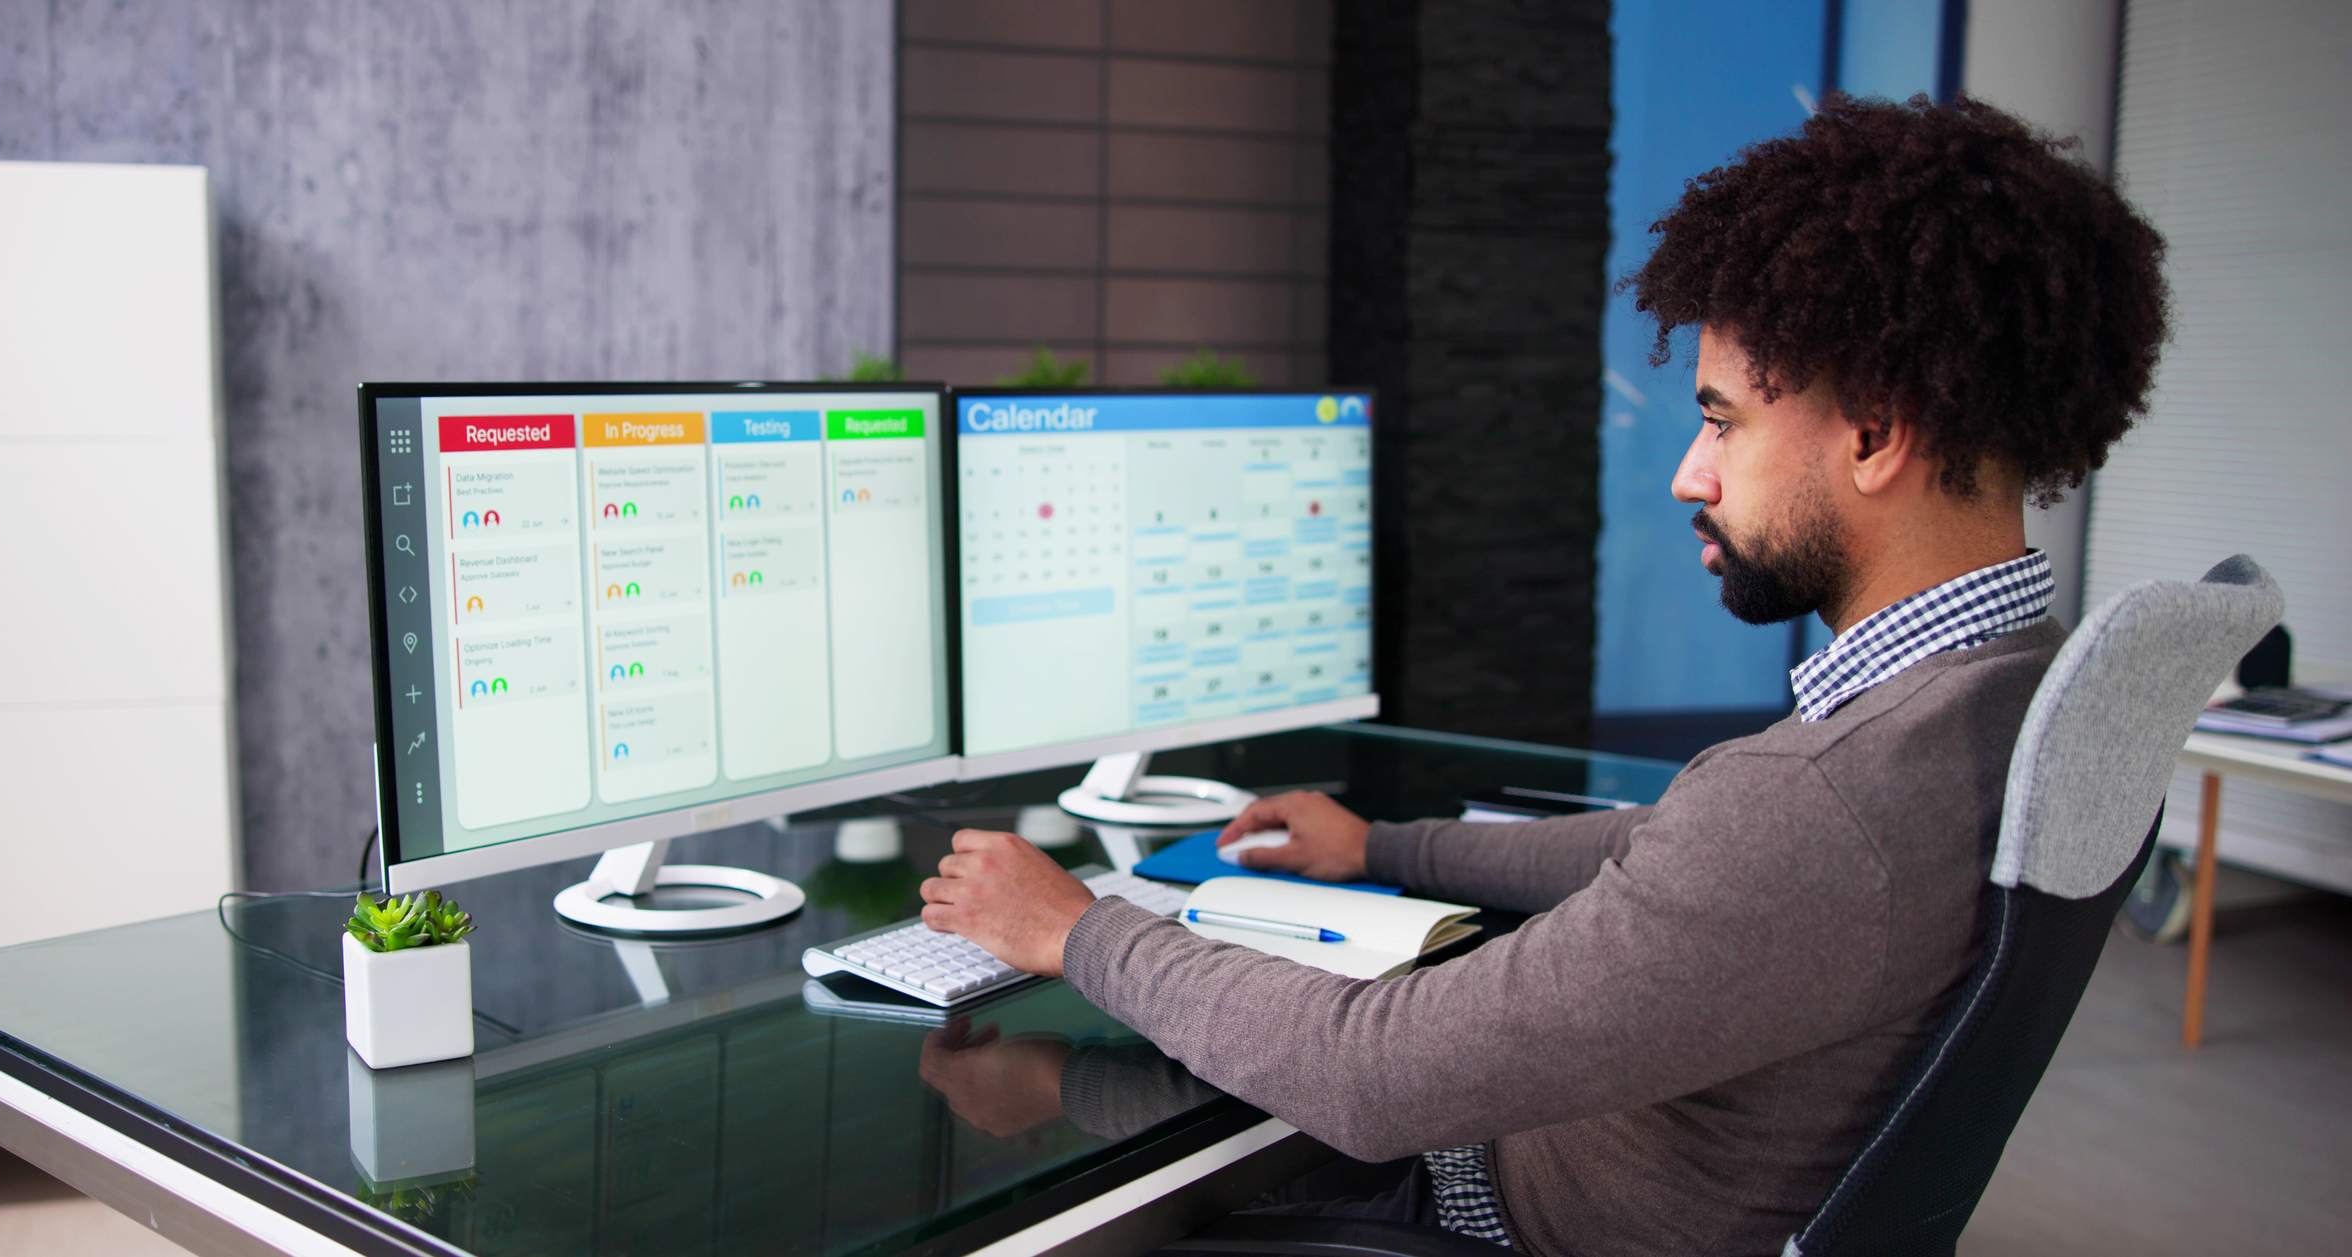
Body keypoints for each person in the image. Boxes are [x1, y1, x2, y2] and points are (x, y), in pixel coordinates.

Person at [915, 94, 2170, 1256]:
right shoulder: (2014, 697)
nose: (1691, 472)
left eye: (1724, 418)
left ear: (1877, 432)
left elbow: (1371, 1075)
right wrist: (1387, 850)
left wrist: (1076, 931)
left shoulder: (1823, 803)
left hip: (1487, 1217)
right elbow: (1677, 852)